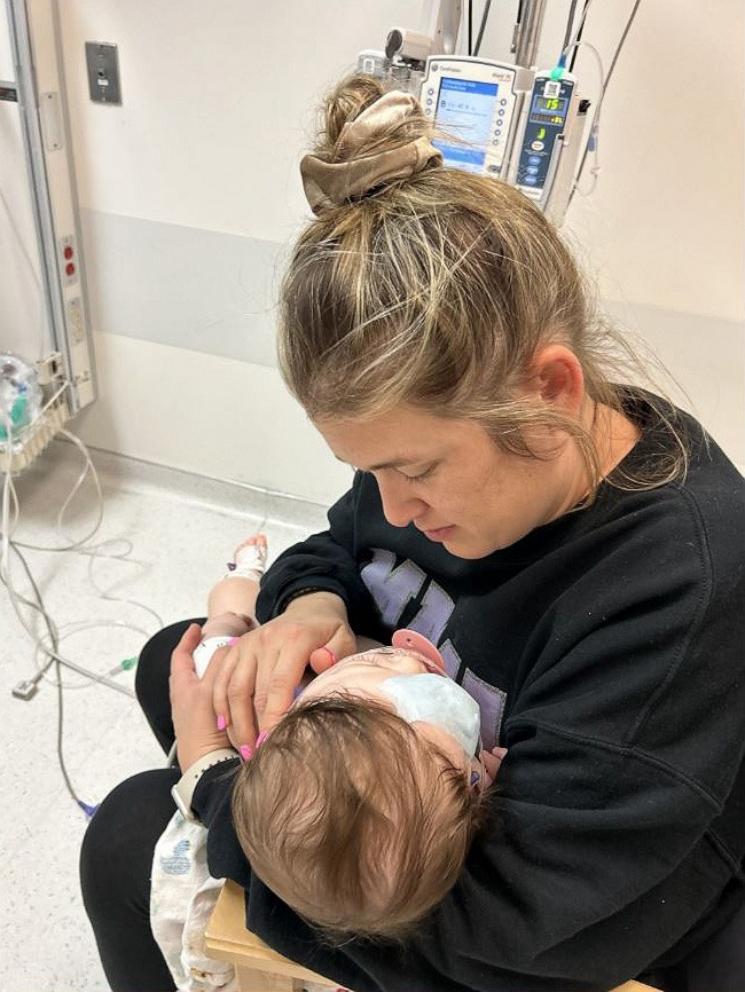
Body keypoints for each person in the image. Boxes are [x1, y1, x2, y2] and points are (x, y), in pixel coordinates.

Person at [80, 75, 745, 992]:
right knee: (179, 663)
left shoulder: (676, 592)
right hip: (410, 776)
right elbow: (348, 547)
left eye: (416, 471)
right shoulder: (474, 467)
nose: (392, 508)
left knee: (121, 840)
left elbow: (492, 939)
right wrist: (309, 607)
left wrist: (215, 796)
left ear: (548, 390)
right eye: (371, 469)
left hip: (530, 931)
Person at [150, 534, 507, 991]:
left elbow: (214, 655)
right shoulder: (451, 793)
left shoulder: (282, 745)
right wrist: (311, 603)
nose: (407, 658)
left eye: (375, 665)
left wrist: (231, 612)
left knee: (192, 639)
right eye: (378, 663)